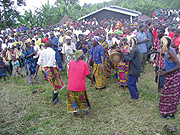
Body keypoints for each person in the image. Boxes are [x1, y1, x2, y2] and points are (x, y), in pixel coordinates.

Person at [34, 41, 65, 105]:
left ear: (45, 46)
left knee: (54, 85)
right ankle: (55, 101)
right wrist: (53, 74)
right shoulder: (52, 51)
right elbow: (50, 64)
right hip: (52, 70)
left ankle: (56, 100)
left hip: (46, 70)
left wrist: (36, 73)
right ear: (51, 46)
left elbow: (38, 63)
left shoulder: (43, 51)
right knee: (56, 86)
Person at [67, 50, 94, 117]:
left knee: (73, 100)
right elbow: (88, 75)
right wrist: (92, 81)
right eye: (82, 55)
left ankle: (75, 114)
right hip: (79, 85)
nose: (83, 56)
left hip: (71, 86)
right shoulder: (84, 63)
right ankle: (85, 112)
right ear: (80, 56)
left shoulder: (71, 63)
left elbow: (69, 74)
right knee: (82, 99)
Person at [158, 36, 180, 119]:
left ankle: (168, 113)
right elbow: (171, 64)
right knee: (168, 94)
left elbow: (178, 65)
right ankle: (168, 112)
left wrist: (166, 73)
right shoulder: (168, 51)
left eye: (161, 43)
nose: (160, 45)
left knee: (169, 95)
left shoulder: (171, 52)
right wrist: (163, 69)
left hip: (173, 76)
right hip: (170, 75)